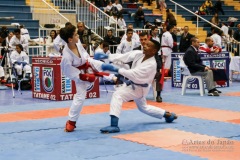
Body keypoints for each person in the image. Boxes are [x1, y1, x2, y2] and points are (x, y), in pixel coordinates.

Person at [94, 39, 177, 133]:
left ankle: (114, 125)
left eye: (148, 45)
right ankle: (168, 115)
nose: (144, 46)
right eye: (146, 44)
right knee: (144, 108)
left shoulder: (151, 64)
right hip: (135, 85)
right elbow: (124, 56)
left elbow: (133, 74)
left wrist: (115, 69)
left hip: (140, 87)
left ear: (154, 51)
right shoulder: (140, 54)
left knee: (117, 95)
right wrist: (107, 56)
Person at [60, 25, 113, 132]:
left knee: (101, 65)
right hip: (79, 73)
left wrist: (89, 62)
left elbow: (84, 54)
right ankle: (71, 121)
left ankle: (117, 77)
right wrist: (81, 76)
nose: (78, 35)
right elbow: (67, 71)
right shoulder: (66, 56)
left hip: (87, 63)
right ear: (70, 39)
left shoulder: (77, 42)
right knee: (80, 97)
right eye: (75, 34)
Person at [150, 26, 163, 102]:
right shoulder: (141, 53)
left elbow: (158, 63)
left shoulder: (155, 54)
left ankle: (158, 95)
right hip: (144, 72)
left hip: (153, 72)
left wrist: (159, 68)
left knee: (159, 75)